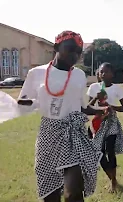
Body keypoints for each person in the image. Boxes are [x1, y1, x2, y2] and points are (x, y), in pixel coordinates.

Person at [17, 31, 105, 202]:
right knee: (50, 194)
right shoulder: (36, 73)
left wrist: (97, 111)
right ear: (56, 47)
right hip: (48, 135)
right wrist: (26, 104)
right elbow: (24, 103)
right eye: (70, 49)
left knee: (73, 192)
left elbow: (80, 106)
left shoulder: (79, 75)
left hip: (74, 134)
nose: (75, 55)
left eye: (79, 52)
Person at [87, 62, 123, 193]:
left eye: (107, 72)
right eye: (101, 72)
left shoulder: (117, 89)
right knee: (98, 152)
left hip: (111, 122)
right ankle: (112, 178)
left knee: (109, 150)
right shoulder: (93, 87)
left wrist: (111, 107)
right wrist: (95, 98)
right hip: (97, 122)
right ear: (98, 74)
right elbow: (87, 108)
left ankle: (113, 181)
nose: (103, 74)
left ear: (112, 74)